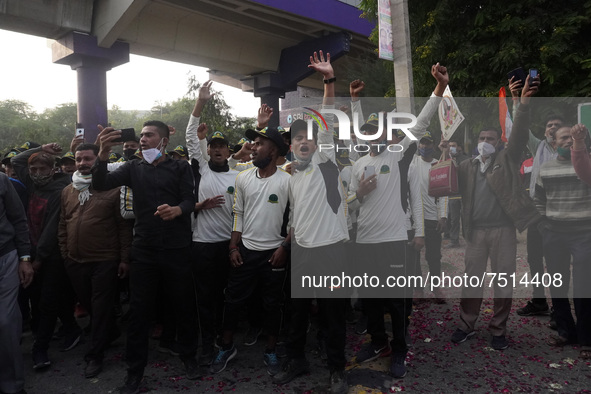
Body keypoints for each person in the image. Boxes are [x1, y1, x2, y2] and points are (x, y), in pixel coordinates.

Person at [348, 63, 449, 378]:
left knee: (396, 301)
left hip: (393, 241)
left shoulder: (396, 153)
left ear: (388, 134)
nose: (374, 136)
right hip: (364, 241)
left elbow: (420, 126)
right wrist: (360, 193)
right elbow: (348, 202)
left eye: (380, 131)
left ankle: (400, 350)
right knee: (371, 300)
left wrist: (439, 88)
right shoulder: (359, 163)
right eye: (368, 131)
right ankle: (378, 343)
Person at [92, 120, 200, 394]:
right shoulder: (132, 168)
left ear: (163, 141)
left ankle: (189, 357)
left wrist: (177, 210)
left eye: (149, 135)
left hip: (177, 248)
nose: (143, 139)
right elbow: (101, 183)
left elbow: (189, 199)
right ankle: (134, 372)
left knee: (184, 305)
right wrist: (102, 154)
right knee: (139, 312)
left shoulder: (180, 167)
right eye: (141, 135)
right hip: (145, 250)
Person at [444, 75, 541, 350]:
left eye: (490, 138)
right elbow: (443, 177)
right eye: (481, 138)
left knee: (503, 281)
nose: (484, 141)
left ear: (499, 142)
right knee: (471, 281)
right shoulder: (468, 165)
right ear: (476, 141)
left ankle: (499, 330)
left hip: (503, 231)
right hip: (475, 232)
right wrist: (444, 152)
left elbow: (520, 132)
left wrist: (522, 104)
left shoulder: (507, 158)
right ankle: (466, 325)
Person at [271, 51, 349, 393]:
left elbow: (328, 120)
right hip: (302, 253)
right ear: (290, 146)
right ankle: (297, 361)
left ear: (317, 144)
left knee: (333, 317)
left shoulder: (324, 162)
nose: (304, 142)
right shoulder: (291, 176)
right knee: (297, 315)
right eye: (297, 138)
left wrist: (328, 80)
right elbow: (294, 217)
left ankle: (336, 370)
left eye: (309, 138)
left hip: (331, 252)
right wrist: (288, 245)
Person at [211, 126, 290, 375]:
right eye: (253, 143)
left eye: (258, 143)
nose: (253, 147)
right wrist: (233, 246)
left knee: (272, 305)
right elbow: (239, 215)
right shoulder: (242, 178)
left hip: (274, 254)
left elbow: (297, 220)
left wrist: (284, 247)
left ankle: (271, 350)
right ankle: (226, 346)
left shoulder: (289, 181)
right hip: (245, 252)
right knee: (233, 300)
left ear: (274, 149)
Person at [58, 143, 133, 378]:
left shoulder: (112, 188)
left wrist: (124, 259)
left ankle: (95, 355)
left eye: (88, 159)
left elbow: (123, 227)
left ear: (98, 161)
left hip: (105, 259)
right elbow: (63, 224)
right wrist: (65, 253)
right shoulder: (68, 190)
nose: (82, 163)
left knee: (100, 308)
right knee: (89, 304)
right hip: (75, 260)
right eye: (79, 159)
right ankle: (109, 333)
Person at [11, 144, 83, 370]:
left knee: (47, 302)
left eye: (43, 168)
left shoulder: (60, 190)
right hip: (29, 252)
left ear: (53, 169)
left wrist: (37, 259)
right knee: (40, 297)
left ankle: (39, 349)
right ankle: (70, 329)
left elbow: (52, 229)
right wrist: (43, 148)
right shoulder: (31, 183)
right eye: (34, 169)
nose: (37, 173)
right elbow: (17, 162)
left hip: (50, 255)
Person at [185, 81, 240, 365]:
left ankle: (225, 336)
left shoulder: (238, 177)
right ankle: (207, 341)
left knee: (227, 295)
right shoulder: (202, 168)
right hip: (202, 245)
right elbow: (191, 138)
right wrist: (200, 102)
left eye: (222, 147)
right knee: (204, 296)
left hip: (228, 246)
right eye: (214, 146)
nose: (217, 150)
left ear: (230, 152)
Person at [534, 124, 591, 360]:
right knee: (557, 284)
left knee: (583, 286)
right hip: (554, 233)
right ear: (554, 142)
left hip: (584, 234)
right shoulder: (545, 169)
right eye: (563, 138)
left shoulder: (587, 166)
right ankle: (566, 331)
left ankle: (587, 338)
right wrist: (544, 224)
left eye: (572, 137)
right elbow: (538, 199)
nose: (568, 141)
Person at [508, 77, 563, 318]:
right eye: (550, 125)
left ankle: (560, 310)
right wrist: (516, 99)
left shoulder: (572, 152)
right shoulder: (537, 146)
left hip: (561, 217)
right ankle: (539, 301)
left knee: (557, 263)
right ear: (544, 130)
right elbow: (519, 127)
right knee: (534, 260)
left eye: (557, 125)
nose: (552, 128)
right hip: (536, 215)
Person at [0, 172, 34, 394]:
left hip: (6, 258)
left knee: (6, 322)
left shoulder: (2, 180)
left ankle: (12, 385)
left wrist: (24, 258)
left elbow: (19, 219)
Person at [408, 131, 448, 302]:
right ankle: (418, 289)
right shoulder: (412, 163)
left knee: (434, 256)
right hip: (414, 219)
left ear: (433, 145)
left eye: (428, 143)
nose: (424, 146)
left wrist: (443, 215)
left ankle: (435, 287)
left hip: (432, 218)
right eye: (422, 143)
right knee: (413, 256)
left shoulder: (438, 165)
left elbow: (444, 192)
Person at [446, 141, 469, 248]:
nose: (451, 148)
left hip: (464, 193)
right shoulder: (446, 159)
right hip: (452, 194)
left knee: (466, 218)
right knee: (453, 219)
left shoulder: (465, 159)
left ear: (459, 147)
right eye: (449, 146)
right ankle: (454, 240)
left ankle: (468, 239)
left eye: (453, 146)